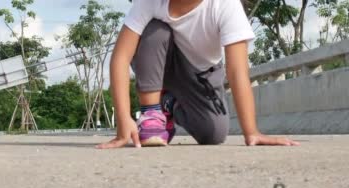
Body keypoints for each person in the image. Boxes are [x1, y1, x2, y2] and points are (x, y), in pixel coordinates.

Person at [98, 0, 299, 149]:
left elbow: (237, 71)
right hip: (161, 65)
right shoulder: (151, 2)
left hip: (201, 77)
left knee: (213, 134)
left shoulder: (225, 5)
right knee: (155, 31)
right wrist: (123, 120)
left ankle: (169, 104)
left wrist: (252, 132)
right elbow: (120, 58)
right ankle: (152, 111)